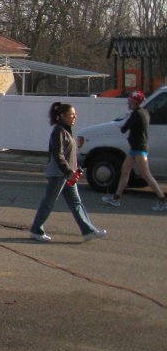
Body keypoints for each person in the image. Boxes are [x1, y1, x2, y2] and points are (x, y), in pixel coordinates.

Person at [31, 102, 106, 242]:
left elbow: (69, 154)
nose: (74, 116)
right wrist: (67, 171)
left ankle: (88, 231)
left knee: (76, 202)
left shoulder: (66, 130)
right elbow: (58, 155)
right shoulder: (58, 131)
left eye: (74, 114)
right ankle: (36, 230)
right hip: (58, 174)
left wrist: (75, 169)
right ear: (62, 116)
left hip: (68, 175)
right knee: (49, 202)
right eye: (72, 114)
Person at [102, 90, 167, 211]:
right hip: (135, 149)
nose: (128, 102)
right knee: (125, 171)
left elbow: (124, 128)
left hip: (139, 149)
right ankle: (116, 198)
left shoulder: (136, 114)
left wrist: (118, 124)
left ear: (135, 101)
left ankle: (162, 200)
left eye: (130, 100)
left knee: (146, 175)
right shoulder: (145, 112)